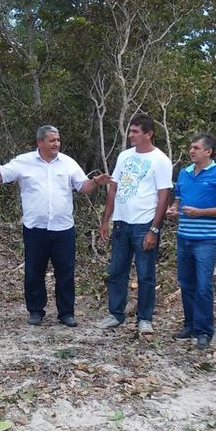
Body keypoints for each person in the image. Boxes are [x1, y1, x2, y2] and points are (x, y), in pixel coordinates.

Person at [0, 126, 110, 327]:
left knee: (65, 272)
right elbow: (0, 176)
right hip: (35, 228)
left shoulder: (68, 163)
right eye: (52, 140)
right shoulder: (24, 162)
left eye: (58, 140)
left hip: (63, 228)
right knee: (34, 271)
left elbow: (83, 187)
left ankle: (66, 313)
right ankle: (36, 311)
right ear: (40, 142)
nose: (57, 144)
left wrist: (96, 182)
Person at [96, 113, 172, 335]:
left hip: (144, 223)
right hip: (122, 223)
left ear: (149, 134)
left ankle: (144, 318)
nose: (131, 135)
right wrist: (106, 220)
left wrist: (154, 229)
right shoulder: (124, 156)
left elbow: (163, 197)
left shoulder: (160, 160)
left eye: (136, 132)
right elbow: (113, 188)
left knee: (145, 274)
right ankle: (116, 314)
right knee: (117, 271)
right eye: (130, 131)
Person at [168, 133, 216, 349]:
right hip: (184, 237)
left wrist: (201, 212)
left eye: (196, 148)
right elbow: (178, 200)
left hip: (206, 239)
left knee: (204, 286)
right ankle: (190, 325)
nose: (191, 151)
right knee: (186, 283)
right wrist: (173, 210)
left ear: (208, 151)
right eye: (191, 147)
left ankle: (204, 330)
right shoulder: (184, 173)